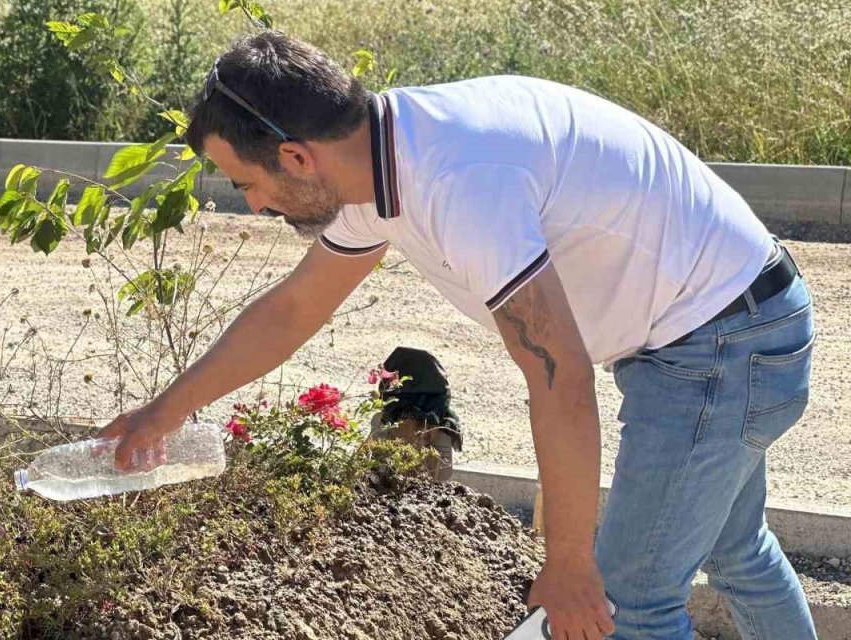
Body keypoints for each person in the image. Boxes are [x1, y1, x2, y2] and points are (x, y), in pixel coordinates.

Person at [98, 31, 816, 640]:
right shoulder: (380, 162)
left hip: (720, 347)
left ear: (295, 156)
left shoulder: (461, 183)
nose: (252, 205)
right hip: (736, 322)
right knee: (737, 548)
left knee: (627, 603)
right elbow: (292, 310)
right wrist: (166, 410)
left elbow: (559, 376)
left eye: (242, 182)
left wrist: (568, 559)